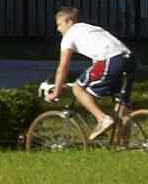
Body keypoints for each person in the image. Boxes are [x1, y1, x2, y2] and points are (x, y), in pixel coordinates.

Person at [48, 7, 135, 140]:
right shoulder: (89, 28)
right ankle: (123, 146)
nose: (58, 29)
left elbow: (63, 67)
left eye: (60, 24)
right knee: (122, 108)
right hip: (129, 60)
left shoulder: (70, 35)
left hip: (110, 59)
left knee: (78, 88)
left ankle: (102, 119)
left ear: (70, 21)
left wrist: (56, 92)